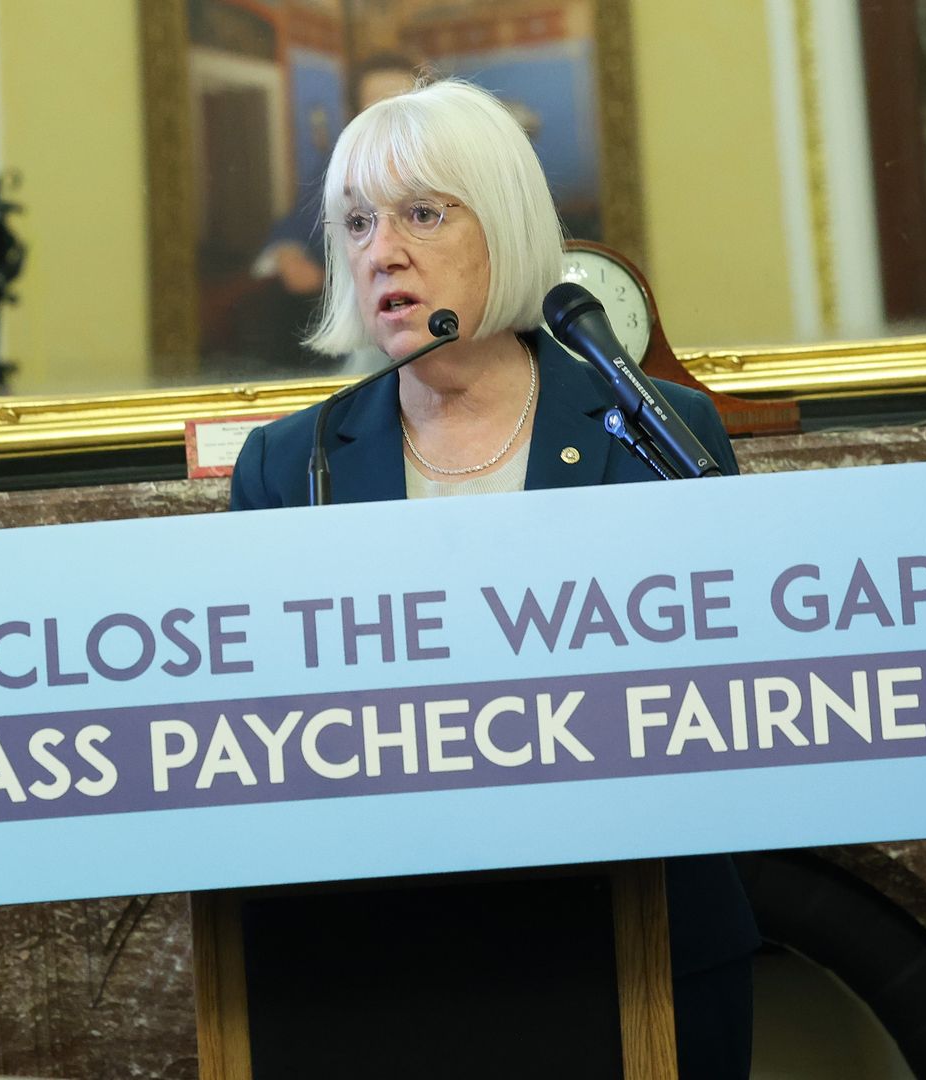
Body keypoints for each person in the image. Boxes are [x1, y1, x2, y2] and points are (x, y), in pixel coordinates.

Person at [228, 78, 761, 1076]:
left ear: (505, 224)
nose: (380, 250)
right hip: (387, 971)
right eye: (356, 222)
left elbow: (728, 704)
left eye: (423, 214)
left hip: (638, 944)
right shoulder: (289, 464)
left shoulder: (655, 434)